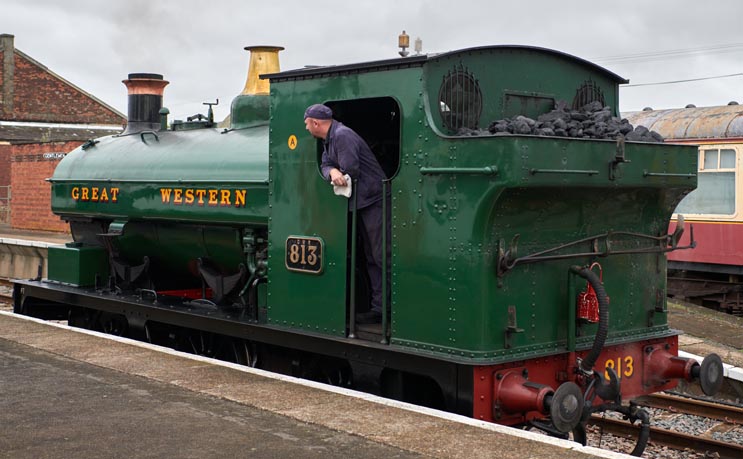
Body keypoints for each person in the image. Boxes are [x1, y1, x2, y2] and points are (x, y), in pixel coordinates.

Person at [304, 103, 390, 324]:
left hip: (373, 200)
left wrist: (336, 171)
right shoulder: (329, 139)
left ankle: (390, 309)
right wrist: (332, 170)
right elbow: (326, 164)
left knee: (380, 255)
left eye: (306, 123)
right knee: (371, 256)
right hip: (361, 202)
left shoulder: (342, 136)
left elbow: (350, 169)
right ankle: (379, 307)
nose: (306, 128)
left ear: (315, 123)